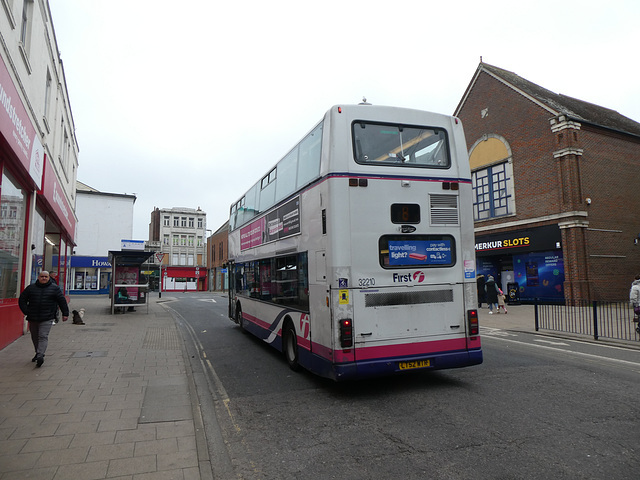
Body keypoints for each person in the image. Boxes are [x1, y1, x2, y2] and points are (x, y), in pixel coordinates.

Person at [18, 271, 69, 367]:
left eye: (46, 276)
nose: (44, 278)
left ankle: (40, 355)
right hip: (33, 317)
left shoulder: (55, 288)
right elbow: (22, 299)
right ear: (38, 277)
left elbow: (62, 301)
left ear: (49, 278)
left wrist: (65, 314)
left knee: (43, 336)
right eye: (42, 276)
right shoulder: (31, 288)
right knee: (35, 336)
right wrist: (26, 311)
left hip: (47, 317)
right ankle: (37, 352)